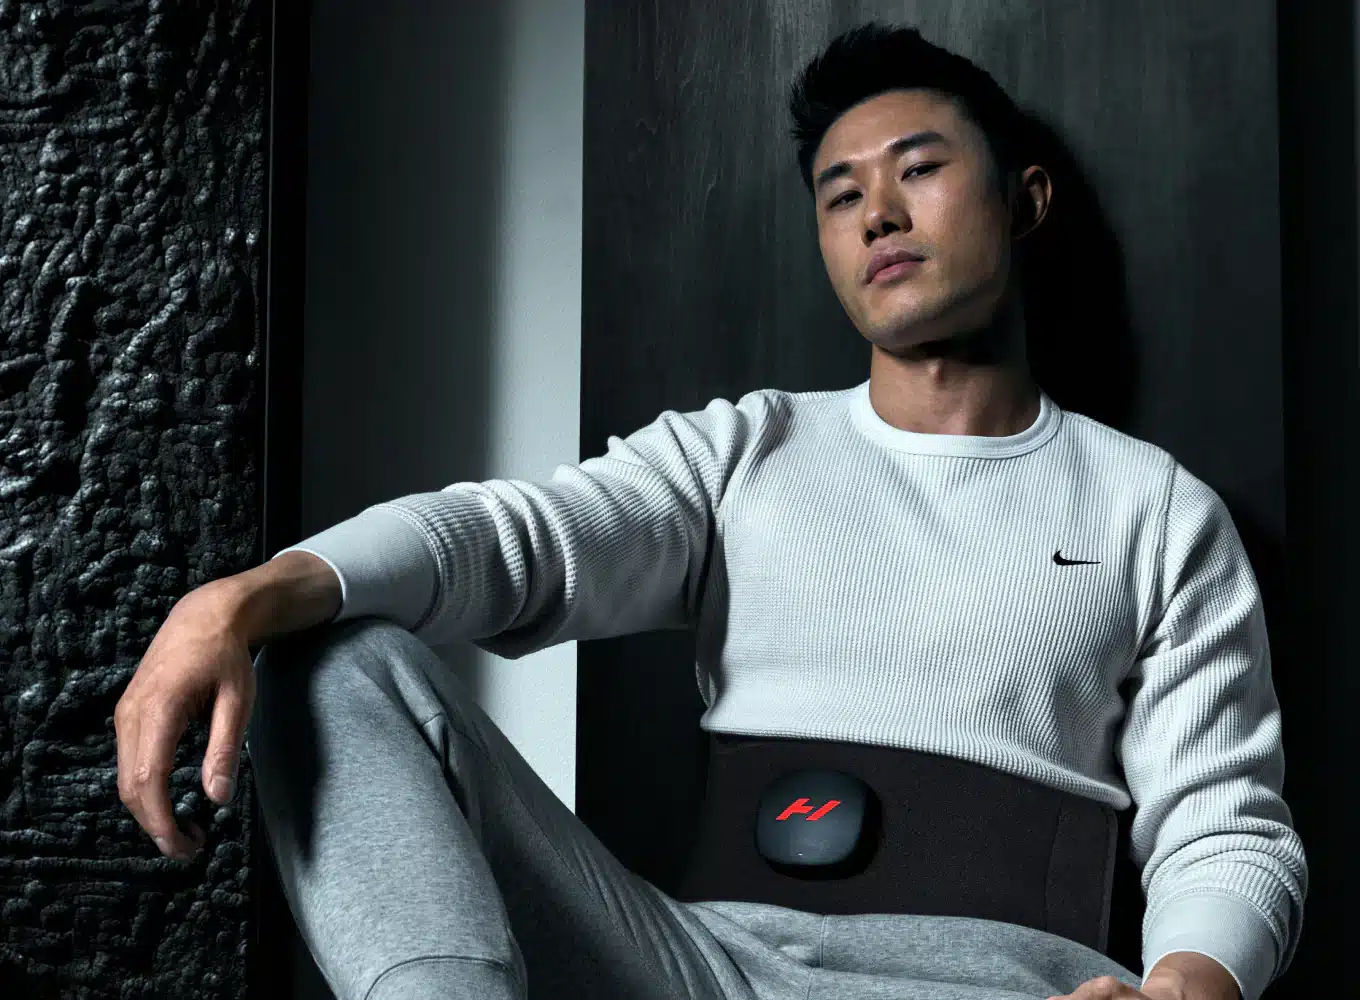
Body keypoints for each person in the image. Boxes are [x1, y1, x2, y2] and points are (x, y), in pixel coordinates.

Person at [113, 22, 1306, 1000]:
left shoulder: (1154, 509)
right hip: (702, 969)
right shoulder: (742, 450)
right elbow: (506, 539)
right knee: (331, 657)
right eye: (840, 194)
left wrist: (1184, 990)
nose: (878, 214)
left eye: (919, 169)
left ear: (1024, 199)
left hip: (1001, 983)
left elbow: (1226, 826)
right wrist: (237, 599)